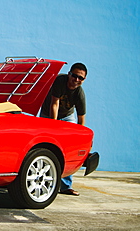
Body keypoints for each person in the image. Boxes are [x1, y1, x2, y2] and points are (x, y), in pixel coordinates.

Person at [40, 62, 87, 196]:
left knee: (68, 148)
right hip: (48, 114)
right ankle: (46, 182)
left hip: (67, 116)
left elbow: (81, 118)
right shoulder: (60, 81)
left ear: (84, 80)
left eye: (80, 78)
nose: (76, 80)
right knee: (47, 146)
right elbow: (54, 104)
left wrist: (79, 138)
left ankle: (65, 186)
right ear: (69, 74)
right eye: (74, 76)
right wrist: (53, 127)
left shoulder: (80, 94)